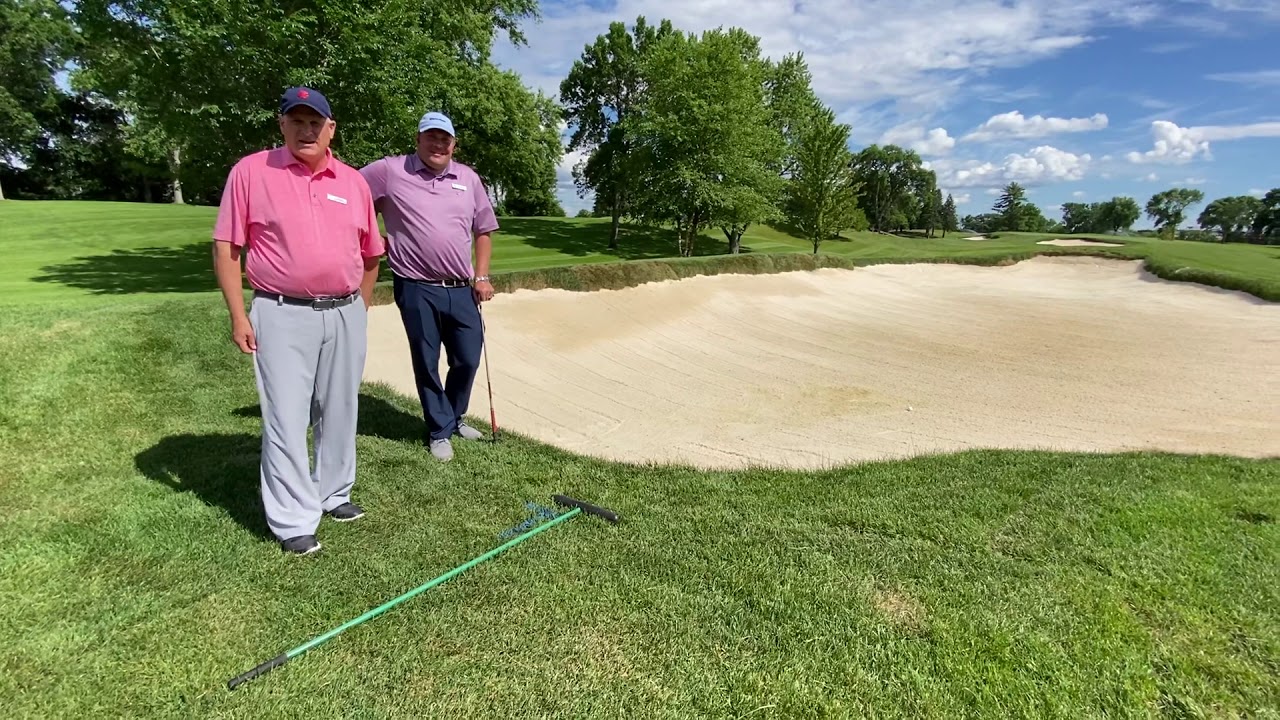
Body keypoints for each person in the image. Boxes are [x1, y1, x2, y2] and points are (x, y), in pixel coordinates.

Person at [211, 86, 385, 556]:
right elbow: (228, 247)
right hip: (281, 311)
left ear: (330, 129)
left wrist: (360, 309)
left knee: (341, 408)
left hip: (346, 310)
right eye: (297, 121)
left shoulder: (352, 182)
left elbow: (372, 255)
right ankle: (292, 519)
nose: (307, 130)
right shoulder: (251, 171)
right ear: (282, 123)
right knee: (287, 416)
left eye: (316, 122)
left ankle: (334, 493)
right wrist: (237, 313)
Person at [360, 111, 499, 462]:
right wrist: (373, 237)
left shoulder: (467, 178)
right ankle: (439, 429)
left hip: (461, 286)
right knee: (427, 360)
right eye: (431, 137)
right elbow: (351, 195)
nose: (438, 144)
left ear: (454, 144)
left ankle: (454, 417)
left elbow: (483, 229)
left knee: (467, 357)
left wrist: (481, 276)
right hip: (416, 286)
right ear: (418, 139)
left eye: (445, 139)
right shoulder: (390, 171)